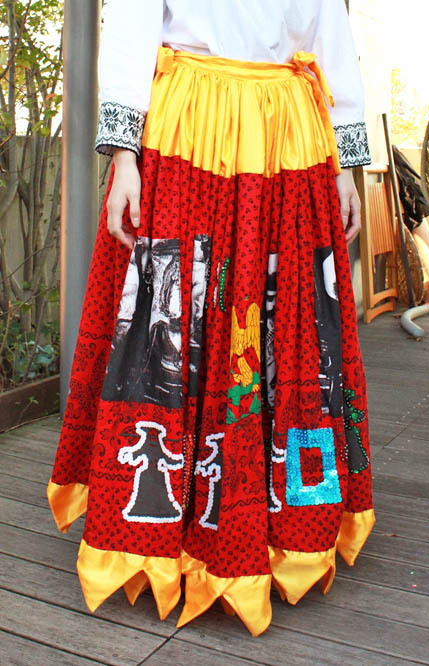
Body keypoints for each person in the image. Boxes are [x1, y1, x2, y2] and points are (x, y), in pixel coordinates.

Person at [48, 0, 375, 636]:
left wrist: (345, 167)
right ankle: (160, 533)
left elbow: (330, 36)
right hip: (190, 129)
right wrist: (123, 158)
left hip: (288, 137)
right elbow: (134, 23)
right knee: (171, 320)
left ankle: (280, 530)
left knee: (288, 332)